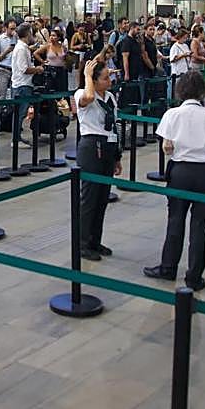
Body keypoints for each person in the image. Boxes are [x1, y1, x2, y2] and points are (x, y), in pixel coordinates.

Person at [144, 71, 205, 291]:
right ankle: (194, 276)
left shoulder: (171, 114)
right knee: (200, 226)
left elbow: (166, 147)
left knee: (175, 220)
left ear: (180, 90)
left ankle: (168, 267)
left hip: (180, 171)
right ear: (203, 91)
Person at [74, 59, 121, 262]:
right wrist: (87, 76)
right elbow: (89, 97)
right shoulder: (82, 94)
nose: (109, 81)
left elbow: (114, 126)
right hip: (92, 147)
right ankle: (82, 243)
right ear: (93, 80)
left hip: (108, 147)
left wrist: (117, 157)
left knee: (102, 198)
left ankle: (95, 240)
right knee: (90, 198)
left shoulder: (110, 97)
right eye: (105, 78)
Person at [10, 25, 44, 148]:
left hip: (23, 84)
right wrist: (37, 69)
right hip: (22, 85)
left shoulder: (23, 48)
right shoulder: (21, 49)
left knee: (20, 113)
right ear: (27, 34)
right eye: (31, 33)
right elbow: (24, 69)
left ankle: (17, 137)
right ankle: (15, 140)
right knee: (19, 114)